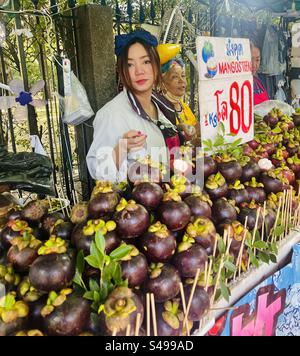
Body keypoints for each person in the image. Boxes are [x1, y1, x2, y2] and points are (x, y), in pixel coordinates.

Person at [86, 30, 182, 182]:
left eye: (146, 62)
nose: (139, 71)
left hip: (165, 198)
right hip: (135, 203)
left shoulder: (161, 104)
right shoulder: (111, 115)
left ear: (156, 67)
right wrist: (122, 148)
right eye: (130, 65)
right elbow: (97, 172)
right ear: (123, 72)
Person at [158, 50, 199, 141]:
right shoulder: (160, 108)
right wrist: (180, 128)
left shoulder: (183, 106)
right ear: (162, 83)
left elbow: (195, 127)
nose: (182, 80)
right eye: (175, 77)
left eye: (183, 75)